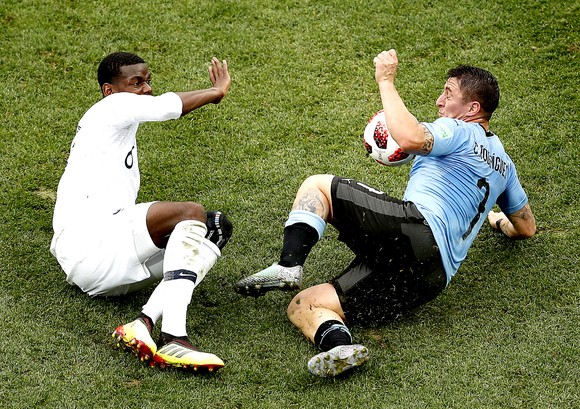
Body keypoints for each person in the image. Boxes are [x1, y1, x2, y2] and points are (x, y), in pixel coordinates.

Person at [234, 49, 537, 378]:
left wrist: (386, 79)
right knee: (305, 304)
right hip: (430, 280)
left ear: (473, 108)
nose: (439, 101)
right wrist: (495, 219)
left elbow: (409, 137)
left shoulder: (460, 130)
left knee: (318, 186)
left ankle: (288, 265)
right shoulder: (505, 165)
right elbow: (526, 227)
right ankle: (338, 347)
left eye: (448, 94)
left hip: (413, 233)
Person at [50, 51, 232, 372]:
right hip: (92, 248)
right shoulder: (109, 108)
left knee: (214, 227)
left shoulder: (114, 127)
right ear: (110, 90)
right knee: (190, 212)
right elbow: (165, 107)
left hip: (109, 268)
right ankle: (176, 336)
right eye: (136, 82)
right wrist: (215, 92)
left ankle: (144, 321)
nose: (146, 88)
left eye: (148, 81)